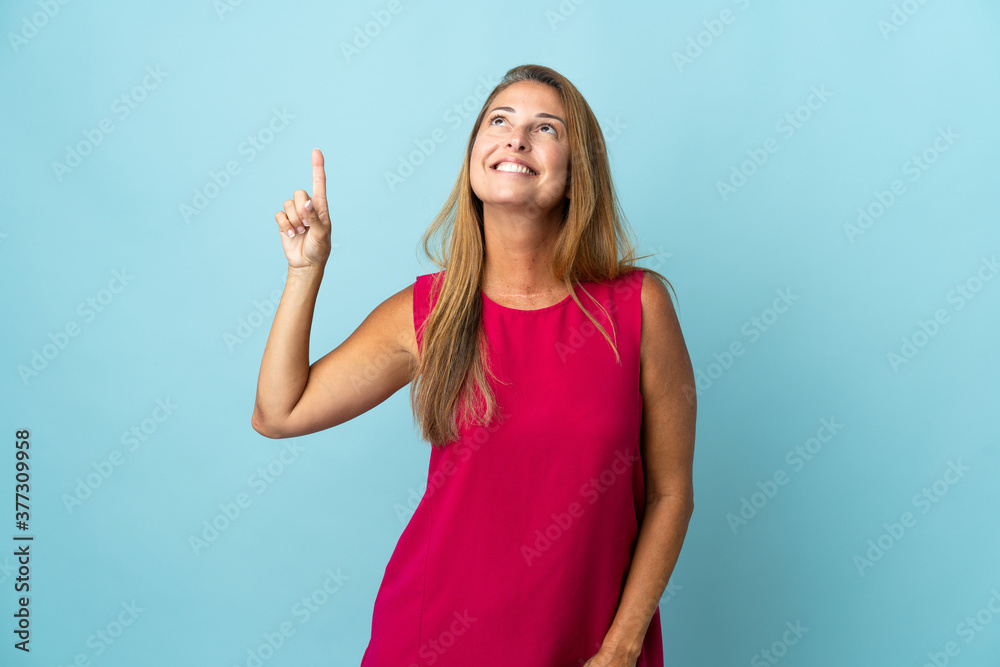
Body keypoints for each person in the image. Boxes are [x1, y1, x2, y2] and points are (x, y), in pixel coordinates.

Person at [252, 64, 696, 667]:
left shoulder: (638, 308)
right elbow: (280, 412)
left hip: (591, 648)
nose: (517, 138)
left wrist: (622, 646)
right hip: (431, 640)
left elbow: (671, 494)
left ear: (576, 174)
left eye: (547, 129)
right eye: (500, 121)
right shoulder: (429, 314)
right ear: (473, 158)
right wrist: (306, 272)